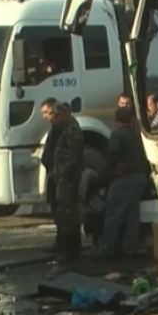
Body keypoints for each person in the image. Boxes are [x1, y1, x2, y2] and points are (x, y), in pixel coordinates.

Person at [92, 106, 150, 258]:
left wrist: (104, 175)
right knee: (132, 214)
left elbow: (112, 155)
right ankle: (130, 246)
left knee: (114, 214)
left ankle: (105, 249)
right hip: (140, 178)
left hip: (124, 178)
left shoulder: (117, 136)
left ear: (116, 121)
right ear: (131, 120)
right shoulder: (137, 136)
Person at [51, 101, 86, 260]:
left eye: (57, 115)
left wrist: (63, 175)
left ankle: (69, 250)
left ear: (65, 113)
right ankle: (70, 248)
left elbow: (73, 158)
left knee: (67, 214)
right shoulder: (66, 129)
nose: (55, 119)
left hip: (68, 180)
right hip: (64, 178)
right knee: (65, 213)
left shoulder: (72, 131)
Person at [39, 98, 64, 252]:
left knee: (60, 210)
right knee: (56, 209)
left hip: (57, 175)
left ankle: (63, 243)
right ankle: (60, 241)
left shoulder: (59, 129)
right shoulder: (55, 128)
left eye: (47, 113)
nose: (45, 117)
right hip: (53, 173)